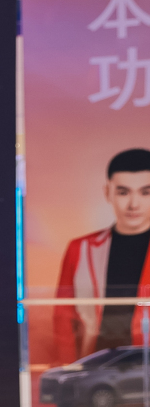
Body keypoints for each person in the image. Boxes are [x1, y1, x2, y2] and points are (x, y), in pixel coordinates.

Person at [55, 148, 150, 362]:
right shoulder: (81, 248)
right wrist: (69, 370)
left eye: (146, 192)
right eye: (123, 192)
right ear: (108, 193)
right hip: (95, 362)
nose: (134, 204)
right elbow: (63, 319)